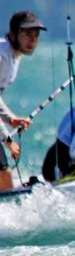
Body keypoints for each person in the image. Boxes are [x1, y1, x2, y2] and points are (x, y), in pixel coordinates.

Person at [0, 11, 46, 190]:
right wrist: (7, 139)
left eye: (36, 35)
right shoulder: (2, 56)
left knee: (4, 176)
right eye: (27, 33)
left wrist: (10, 120)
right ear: (12, 34)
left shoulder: (12, 55)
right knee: (4, 175)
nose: (32, 40)